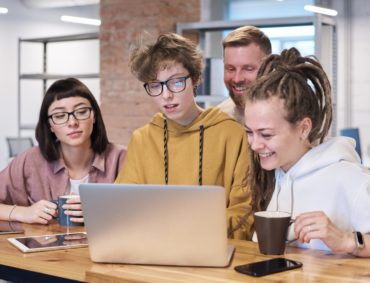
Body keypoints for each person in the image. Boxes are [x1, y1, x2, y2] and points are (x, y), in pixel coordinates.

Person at [115, 33, 253, 240]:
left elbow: (244, 210)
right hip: (153, 248)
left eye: (176, 82)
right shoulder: (142, 139)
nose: (166, 95)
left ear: (195, 79)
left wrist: (195, 230)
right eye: (155, 85)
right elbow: (122, 204)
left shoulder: (232, 134)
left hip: (211, 248)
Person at [245, 47, 370, 257]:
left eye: (266, 135)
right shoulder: (276, 174)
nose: (255, 145)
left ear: (303, 128)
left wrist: (347, 240)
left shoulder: (349, 178)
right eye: (250, 132)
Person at [0, 78, 126, 224]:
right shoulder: (30, 160)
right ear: (50, 126)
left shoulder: (122, 158)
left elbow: (145, 211)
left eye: (81, 111)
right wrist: (23, 212)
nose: (72, 123)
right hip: (46, 246)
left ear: (94, 116)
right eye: (60, 116)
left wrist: (100, 212)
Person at [218, 25, 272, 124]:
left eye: (248, 69)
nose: (237, 79)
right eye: (231, 69)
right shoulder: (219, 118)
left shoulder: (293, 115)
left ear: (269, 68)